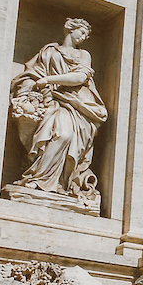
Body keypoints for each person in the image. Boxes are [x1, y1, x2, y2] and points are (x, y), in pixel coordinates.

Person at [9, 18, 107, 203]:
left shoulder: (83, 54)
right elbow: (32, 73)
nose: (84, 37)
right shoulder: (49, 51)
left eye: (87, 35)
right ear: (70, 29)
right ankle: (39, 179)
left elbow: (80, 77)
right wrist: (27, 91)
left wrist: (49, 80)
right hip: (51, 101)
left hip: (76, 104)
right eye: (82, 32)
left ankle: (59, 183)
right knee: (54, 134)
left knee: (65, 135)